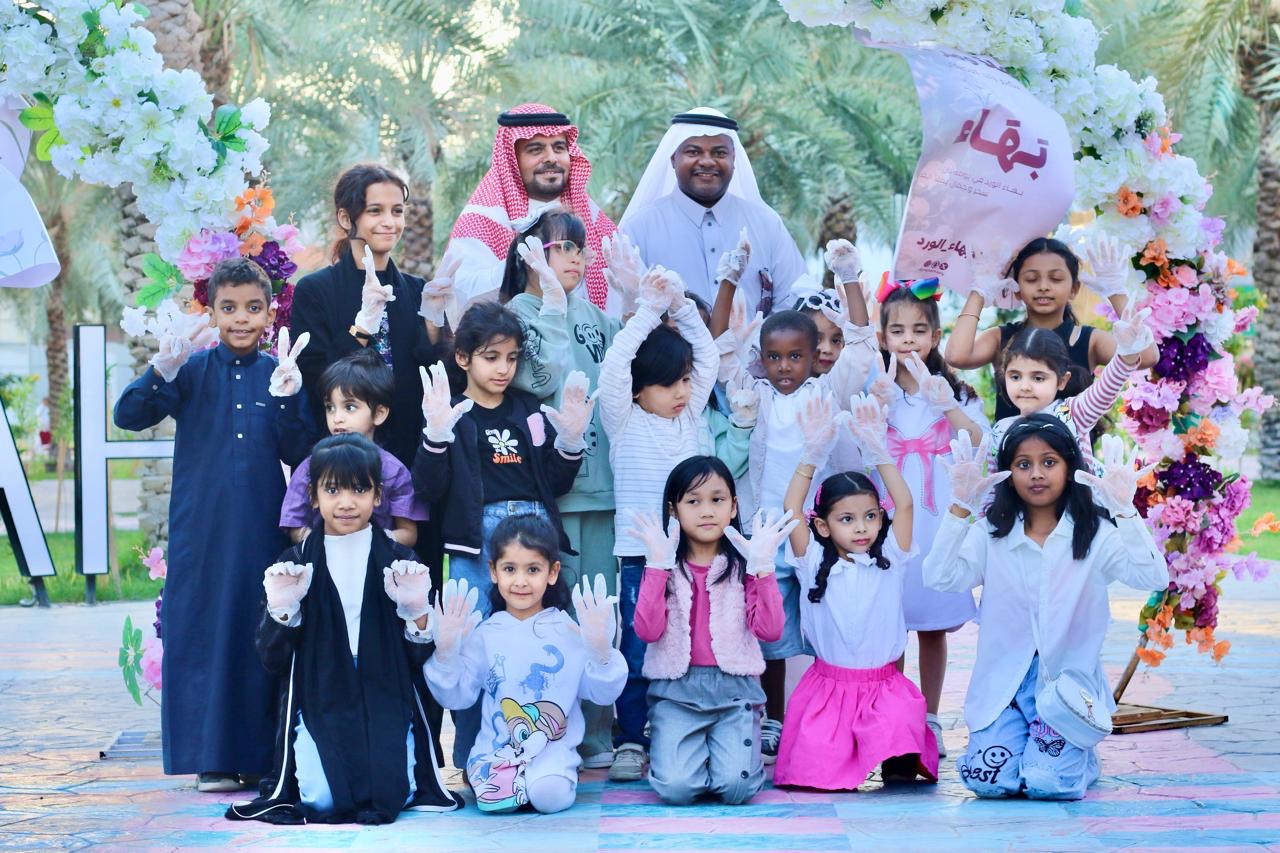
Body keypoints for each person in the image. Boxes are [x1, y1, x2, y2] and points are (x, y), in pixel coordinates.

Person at [114, 258, 313, 790]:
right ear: (212, 312)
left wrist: (290, 401)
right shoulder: (192, 371)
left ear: (269, 313)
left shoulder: (278, 372)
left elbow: (302, 452)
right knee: (205, 633)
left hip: (261, 532)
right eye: (229, 308)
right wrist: (161, 371)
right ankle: (213, 759)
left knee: (258, 632)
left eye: (253, 308)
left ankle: (262, 757)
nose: (241, 318)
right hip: (200, 531)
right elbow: (128, 415)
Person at [926, 419, 1168, 800]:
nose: (1036, 474)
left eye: (1049, 462)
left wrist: (1125, 511)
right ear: (1008, 473)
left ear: (1070, 467)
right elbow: (939, 578)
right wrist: (959, 508)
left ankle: (1079, 760)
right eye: (1023, 464)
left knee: (1047, 783)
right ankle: (1030, 750)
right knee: (987, 781)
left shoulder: (1095, 534)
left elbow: (1153, 576)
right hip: (1004, 687)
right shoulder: (991, 533)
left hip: (1066, 691)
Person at [226, 434, 461, 824]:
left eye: (359, 489)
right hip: (322, 692)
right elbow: (271, 658)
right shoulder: (295, 562)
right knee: (322, 799)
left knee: (392, 794)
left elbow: (418, 657)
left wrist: (417, 613)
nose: (347, 502)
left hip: (384, 692)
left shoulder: (400, 560)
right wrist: (283, 610)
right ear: (313, 497)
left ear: (378, 496)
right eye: (333, 490)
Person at [412, 301, 589, 769]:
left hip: (533, 532)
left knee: (545, 640)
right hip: (475, 543)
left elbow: (554, 482)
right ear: (463, 357)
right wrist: (435, 435)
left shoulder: (528, 410)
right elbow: (428, 488)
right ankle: (473, 757)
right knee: (471, 646)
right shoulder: (452, 412)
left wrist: (570, 442)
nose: (503, 368)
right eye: (491, 357)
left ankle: (545, 750)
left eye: (511, 358)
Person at [501, 209, 623, 769]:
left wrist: (636, 300)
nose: (577, 258)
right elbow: (540, 379)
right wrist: (551, 304)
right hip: (549, 492)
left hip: (604, 492)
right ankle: (546, 732)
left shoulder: (597, 316)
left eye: (581, 248)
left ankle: (597, 734)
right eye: (563, 248)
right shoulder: (516, 314)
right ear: (530, 254)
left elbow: (627, 376)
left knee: (599, 613)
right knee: (554, 617)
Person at [774, 394, 938, 788]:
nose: (861, 527)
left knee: (900, 772)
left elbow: (905, 504)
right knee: (814, 777)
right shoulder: (812, 560)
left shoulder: (891, 557)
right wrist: (812, 453)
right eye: (847, 519)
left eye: (869, 516)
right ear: (823, 526)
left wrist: (877, 451)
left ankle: (895, 752)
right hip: (827, 692)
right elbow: (792, 506)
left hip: (885, 692)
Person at [596, 268, 717, 781]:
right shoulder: (623, 421)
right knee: (637, 648)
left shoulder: (690, 416)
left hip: (696, 558)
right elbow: (614, 366)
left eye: (685, 381)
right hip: (640, 561)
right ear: (638, 390)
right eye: (668, 384)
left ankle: (681, 732)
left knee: (690, 647)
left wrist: (681, 306)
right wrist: (648, 309)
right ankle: (630, 738)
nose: (682, 392)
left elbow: (708, 355)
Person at [425, 515, 627, 813]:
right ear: (493, 571)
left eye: (533, 569)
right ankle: (513, 784)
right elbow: (457, 697)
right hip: (498, 753)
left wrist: (600, 651)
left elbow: (602, 693)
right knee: (497, 803)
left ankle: (544, 780)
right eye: (510, 569)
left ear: (552, 572)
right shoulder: (484, 634)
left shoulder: (569, 632)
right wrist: (446, 654)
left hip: (552, 753)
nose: (520, 581)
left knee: (548, 796)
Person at [863, 277, 988, 758]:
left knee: (932, 624)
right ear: (882, 337)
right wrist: (877, 403)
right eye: (897, 331)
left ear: (936, 336)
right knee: (891, 623)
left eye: (919, 330)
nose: (908, 340)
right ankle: (894, 717)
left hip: (937, 525)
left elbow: (981, 444)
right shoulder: (877, 392)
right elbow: (858, 450)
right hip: (889, 521)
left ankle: (931, 717)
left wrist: (947, 405)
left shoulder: (955, 392)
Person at [628, 456, 791, 805]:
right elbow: (647, 631)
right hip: (676, 692)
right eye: (693, 501)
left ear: (733, 507)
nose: (706, 511)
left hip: (734, 692)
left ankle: (718, 755)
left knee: (736, 789)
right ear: (673, 511)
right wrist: (656, 567)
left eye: (717, 500)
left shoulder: (746, 563)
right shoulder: (663, 563)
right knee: (676, 789)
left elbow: (770, 630)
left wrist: (763, 569)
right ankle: (687, 752)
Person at [289, 163, 451, 468]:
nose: (390, 222)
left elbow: (437, 379)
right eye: (375, 211)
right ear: (346, 218)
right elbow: (314, 378)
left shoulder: (417, 290)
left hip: (410, 456)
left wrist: (433, 327)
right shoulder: (315, 290)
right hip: (342, 459)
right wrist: (362, 326)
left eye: (397, 211)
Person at [945, 235, 1160, 420]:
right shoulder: (1000, 337)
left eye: (1056, 279)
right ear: (1017, 288)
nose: (1043, 287)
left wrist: (1116, 292)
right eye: (1031, 279)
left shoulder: (1089, 340)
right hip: (1011, 451)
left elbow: (1147, 357)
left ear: (1074, 288)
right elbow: (956, 356)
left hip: (1070, 455)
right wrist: (980, 290)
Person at [619, 107, 804, 315]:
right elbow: (627, 308)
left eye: (719, 153)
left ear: (734, 160)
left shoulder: (767, 224)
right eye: (693, 152)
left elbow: (794, 302)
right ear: (673, 159)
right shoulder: (640, 228)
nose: (707, 161)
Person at [447, 104, 617, 309]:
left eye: (559, 148)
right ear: (512, 159)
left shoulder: (593, 217)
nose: (551, 158)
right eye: (536, 150)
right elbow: (460, 298)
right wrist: (521, 262)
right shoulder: (482, 219)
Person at [279, 346, 428, 546]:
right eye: (330, 408)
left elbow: (408, 533)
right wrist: (322, 543)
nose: (337, 418)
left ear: (379, 414)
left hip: (377, 563)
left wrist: (367, 543)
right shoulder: (311, 466)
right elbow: (294, 524)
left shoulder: (394, 471)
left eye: (349, 407)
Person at [988, 302, 1154, 467]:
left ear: (1062, 381)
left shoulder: (1071, 414)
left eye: (1038, 378)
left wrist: (1127, 354)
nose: (1025, 386)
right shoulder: (1000, 430)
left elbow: (1105, 389)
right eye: (1015, 377)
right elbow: (995, 481)